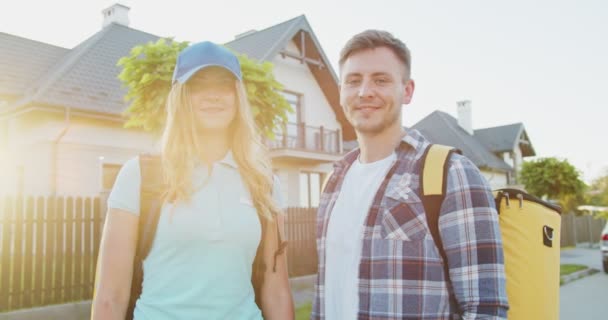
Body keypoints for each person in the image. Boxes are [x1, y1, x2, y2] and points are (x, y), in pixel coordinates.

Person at [311, 30, 509, 319]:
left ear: (407, 90)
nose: (365, 91)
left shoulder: (451, 173)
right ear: (341, 91)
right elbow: (326, 291)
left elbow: (485, 308)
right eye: (353, 81)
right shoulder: (334, 182)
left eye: (381, 80)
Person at [92, 41, 294, 320]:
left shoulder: (264, 183)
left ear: (237, 97)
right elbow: (110, 297)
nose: (213, 95)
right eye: (199, 85)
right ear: (181, 97)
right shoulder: (139, 175)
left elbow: (277, 291)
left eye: (223, 85)